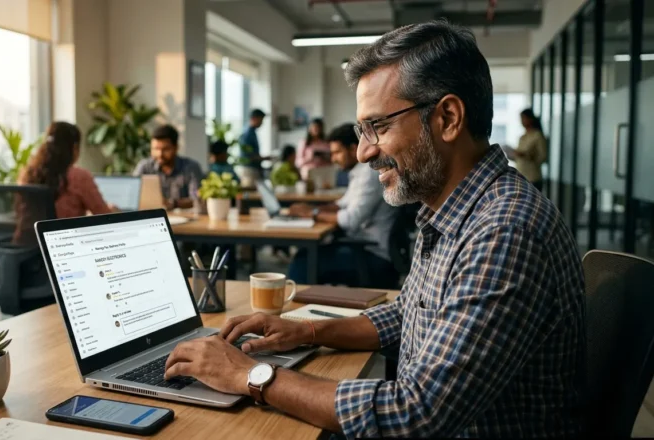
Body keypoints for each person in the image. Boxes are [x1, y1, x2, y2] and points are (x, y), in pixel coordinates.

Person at [162, 21, 586, 438]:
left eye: (377, 127)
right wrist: (306, 330)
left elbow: (414, 413)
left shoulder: (504, 230)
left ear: (448, 118)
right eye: (361, 131)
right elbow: (408, 314)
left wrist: (252, 375)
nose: (364, 152)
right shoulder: (455, 210)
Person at [287, 123, 400, 288]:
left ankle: (297, 305)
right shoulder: (360, 172)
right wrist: (310, 208)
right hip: (360, 246)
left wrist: (313, 214)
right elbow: (342, 204)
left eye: (337, 152)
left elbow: (351, 220)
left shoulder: (370, 174)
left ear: (353, 149)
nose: (333, 159)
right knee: (305, 255)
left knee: (303, 263)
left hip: (372, 254)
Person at [19, 121, 116, 218]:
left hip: (32, 229)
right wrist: (114, 210)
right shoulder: (79, 177)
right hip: (64, 229)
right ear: (74, 148)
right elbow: (104, 216)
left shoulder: (28, 174)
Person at [133, 124, 203, 209]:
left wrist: (173, 203)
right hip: (152, 215)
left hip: (183, 216)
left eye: (165, 149)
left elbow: (196, 199)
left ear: (176, 148)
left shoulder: (191, 167)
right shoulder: (145, 166)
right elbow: (132, 193)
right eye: (155, 149)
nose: (160, 154)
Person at [507, 108, 548, 191]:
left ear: (530, 119)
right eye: (521, 119)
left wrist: (526, 155)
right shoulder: (523, 137)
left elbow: (543, 157)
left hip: (532, 178)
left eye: (524, 118)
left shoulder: (537, 136)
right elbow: (519, 158)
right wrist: (512, 155)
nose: (522, 121)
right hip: (520, 177)